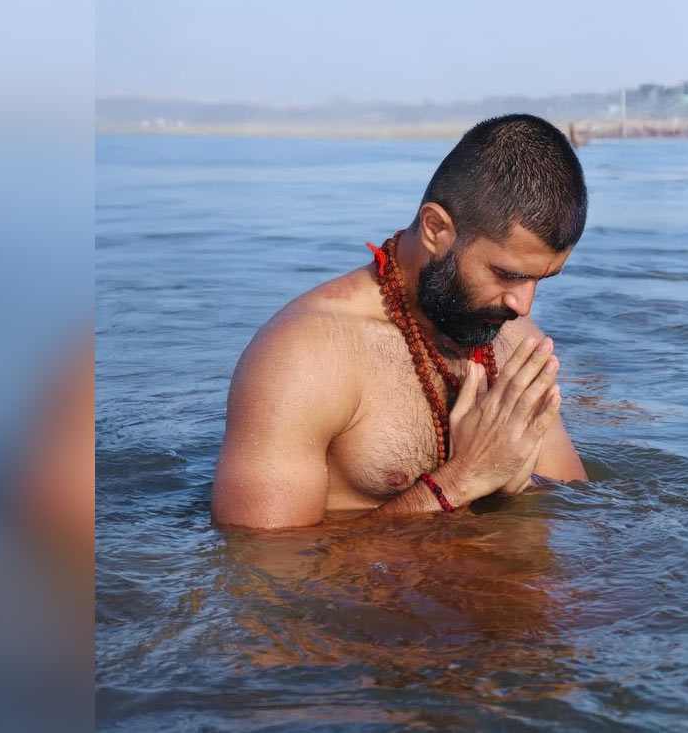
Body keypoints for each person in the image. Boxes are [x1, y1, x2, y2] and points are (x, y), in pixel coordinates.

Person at [211, 114, 589, 529]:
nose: (523, 305)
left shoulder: (514, 341)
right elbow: (264, 559)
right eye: (507, 274)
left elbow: (575, 511)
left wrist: (514, 485)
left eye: (540, 279)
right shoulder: (304, 356)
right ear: (435, 229)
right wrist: (463, 479)